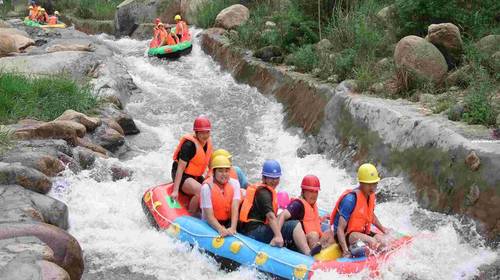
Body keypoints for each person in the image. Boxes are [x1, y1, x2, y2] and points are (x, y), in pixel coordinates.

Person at [239, 160, 311, 255]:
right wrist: (278, 236)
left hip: (251, 229)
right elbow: (270, 216)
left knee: (286, 221)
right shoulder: (264, 193)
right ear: (264, 178)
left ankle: (298, 250)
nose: (274, 181)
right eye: (271, 178)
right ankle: (308, 254)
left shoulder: (263, 190)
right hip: (255, 232)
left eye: (276, 178)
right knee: (295, 224)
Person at [327, 163, 391, 258]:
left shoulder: (370, 196)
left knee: (384, 243)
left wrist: (383, 230)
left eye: (374, 184)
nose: (372, 187)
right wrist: (345, 250)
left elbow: (371, 215)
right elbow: (340, 229)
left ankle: (376, 260)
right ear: (361, 183)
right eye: (369, 184)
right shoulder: (350, 200)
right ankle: (360, 256)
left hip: (360, 232)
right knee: (372, 242)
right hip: (346, 235)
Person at [171, 116, 213, 215]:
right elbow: (180, 168)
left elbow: (210, 165)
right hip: (183, 175)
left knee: (211, 191)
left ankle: (206, 213)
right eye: (202, 132)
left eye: (207, 132)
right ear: (196, 133)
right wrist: (175, 191)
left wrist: (211, 180)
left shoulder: (208, 143)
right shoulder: (189, 145)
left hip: (196, 176)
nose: (205, 135)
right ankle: (192, 215)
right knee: (201, 191)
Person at [278, 175, 323, 251]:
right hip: (296, 242)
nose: (314, 195)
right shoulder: (298, 205)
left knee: (330, 234)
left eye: (316, 191)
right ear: (303, 191)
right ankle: (314, 259)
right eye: (311, 191)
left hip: (310, 241)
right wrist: (277, 235)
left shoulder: (312, 205)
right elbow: (283, 215)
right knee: (314, 235)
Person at [200, 156, 241, 237]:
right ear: (213, 172)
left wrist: (233, 228)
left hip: (228, 221)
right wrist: (220, 229)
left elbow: (235, 207)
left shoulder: (235, 183)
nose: (224, 174)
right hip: (210, 223)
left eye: (226, 171)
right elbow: (209, 216)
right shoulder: (206, 187)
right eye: (220, 171)